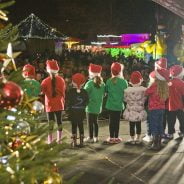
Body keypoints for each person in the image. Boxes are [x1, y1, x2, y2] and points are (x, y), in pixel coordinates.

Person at [41, 60, 66, 144]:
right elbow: (63, 92)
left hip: (50, 105)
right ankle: (59, 140)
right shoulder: (61, 80)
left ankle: (50, 140)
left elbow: (42, 92)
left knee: (50, 123)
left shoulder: (45, 81)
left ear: (48, 70)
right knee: (59, 122)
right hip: (59, 103)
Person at [145, 68, 169, 150]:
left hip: (153, 109)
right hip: (162, 108)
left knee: (153, 125)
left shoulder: (154, 85)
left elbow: (146, 92)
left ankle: (155, 144)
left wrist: (150, 84)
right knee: (160, 125)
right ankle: (159, 142)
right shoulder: (165, 86)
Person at [105, 62, 128, 144]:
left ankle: (111, 137)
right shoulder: (124, 82)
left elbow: (106, 91)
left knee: (111, 122)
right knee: (117, 122)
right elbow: (126, 93)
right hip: (119, 105)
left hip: (110, 105)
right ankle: (116, 137)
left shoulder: (108, 81)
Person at [123, 71, 147, 144]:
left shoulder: (127, 90)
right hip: (139, 111)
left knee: (131, 125)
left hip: (131, 112)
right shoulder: (143, 90)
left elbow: (125, 99)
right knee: (138, 125)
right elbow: (145, 98)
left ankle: (132, 139)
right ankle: (138, 138)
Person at [84, 63, 105, 143]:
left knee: (90, 123)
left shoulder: (89, 83)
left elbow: (84, 93)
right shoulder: (102, 84)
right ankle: (96, 137)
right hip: (98, 106)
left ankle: (90, 137)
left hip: (90, 106)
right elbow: (104, 93)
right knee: (95, 122)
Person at [67, 73, 89, 147]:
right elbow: (87, 101)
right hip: (81, 111)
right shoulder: (85, 92)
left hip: (73, 111)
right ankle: (82, 142)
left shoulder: (70, 91)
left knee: (74, 125)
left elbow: (68, 101)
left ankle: (74, 142)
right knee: (81, 125)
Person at [167, 65, 184, 139]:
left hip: (170, 105)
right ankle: (182, 132)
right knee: (182, 120)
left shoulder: (169, 83)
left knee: (171, 120)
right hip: (180, 106)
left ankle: (170, 133)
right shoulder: (182, 83)